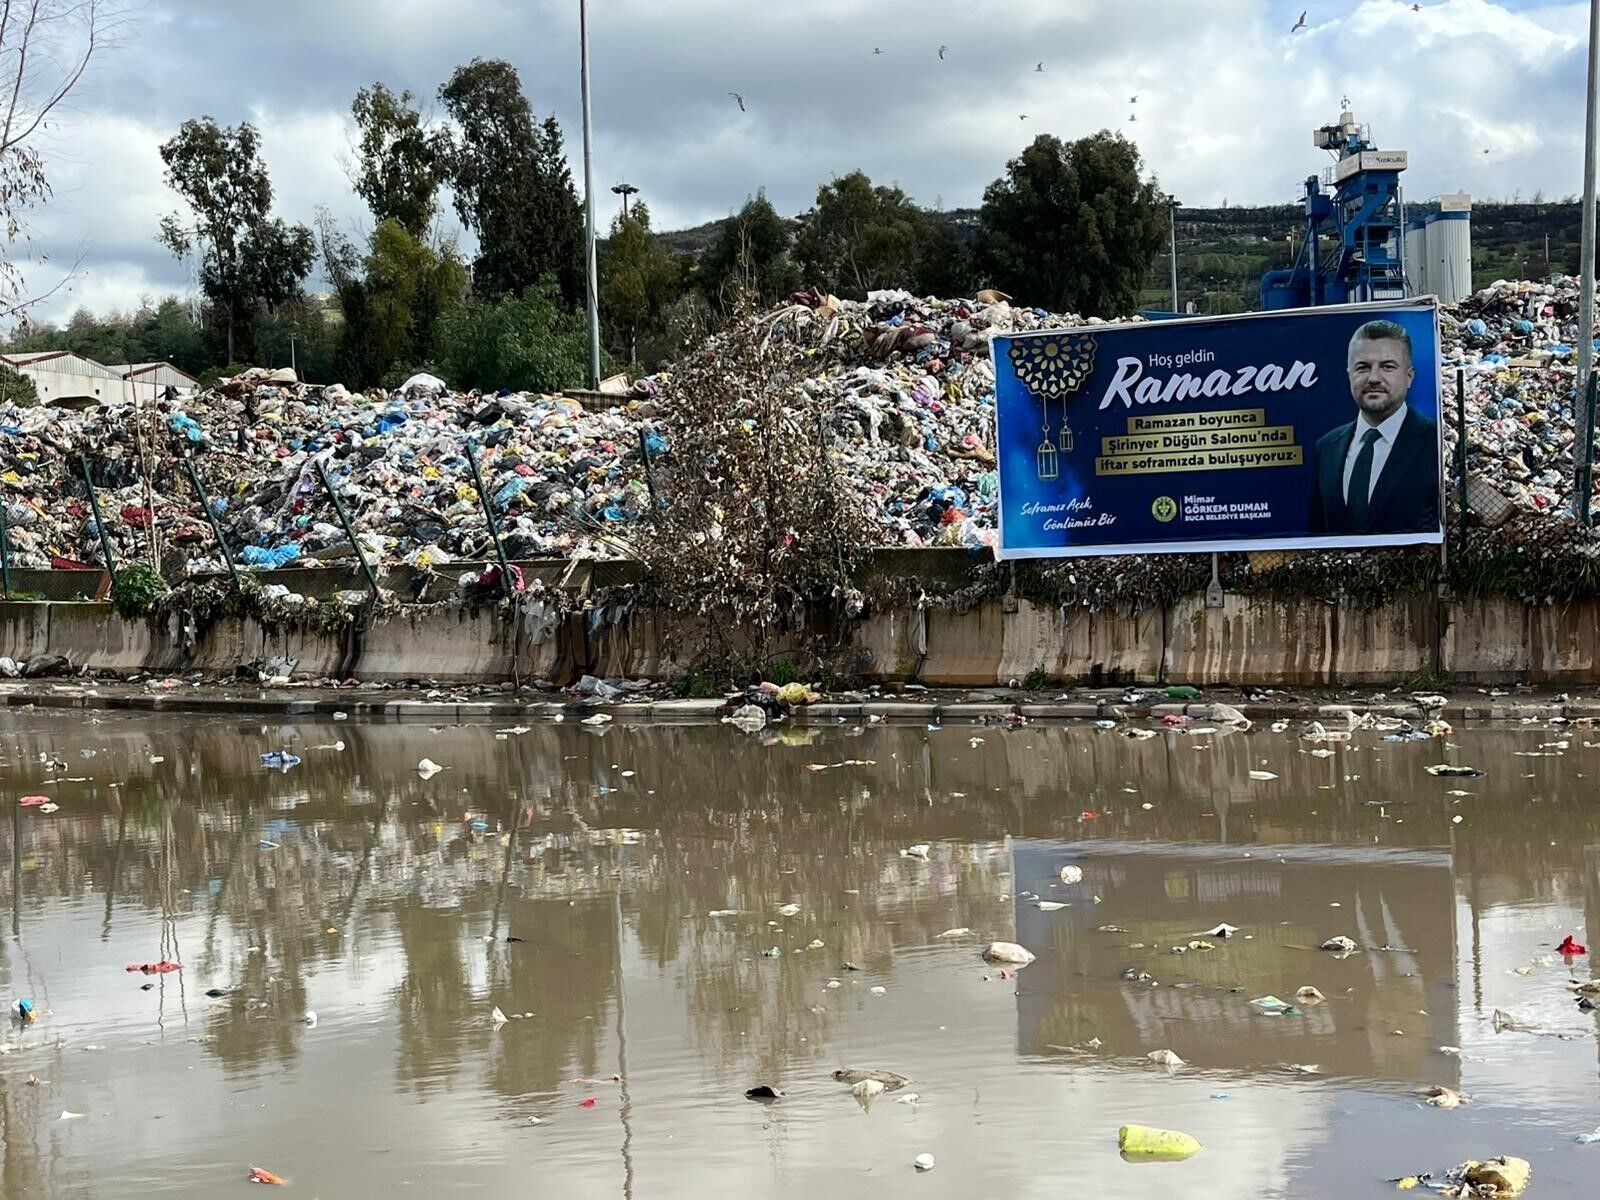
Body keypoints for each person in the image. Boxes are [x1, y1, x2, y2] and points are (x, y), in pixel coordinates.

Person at [1309, 319, 1439, 535]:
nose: (1374, 378)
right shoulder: (1326, 448)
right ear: (1349, 375)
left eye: (1388, 367)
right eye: (1363, 367)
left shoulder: (1436, 442)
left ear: (1409, 377)